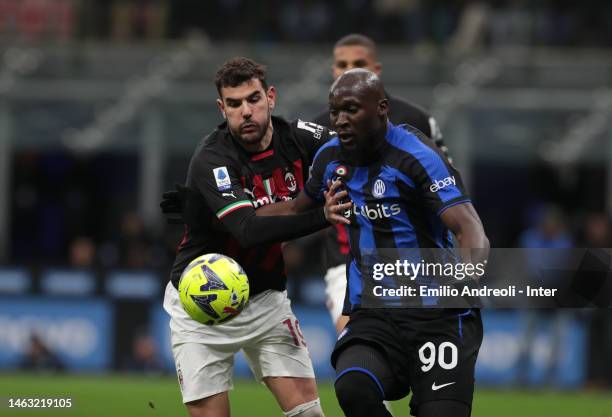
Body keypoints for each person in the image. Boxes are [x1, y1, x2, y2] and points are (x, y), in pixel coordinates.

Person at [257, 68, 489, 417]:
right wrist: (226, 214)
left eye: (351, 109)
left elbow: (469, 228)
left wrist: (466, 275)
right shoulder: (329, 159)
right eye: (335, 112)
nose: (341, 120)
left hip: (438, 317)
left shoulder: (417, 156)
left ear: (382, 108)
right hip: (375, 313)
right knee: (353, 386)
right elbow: (295, 209)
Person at [161, 57, 334, 417]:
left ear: (270, 97)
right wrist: (324, 216)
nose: (246, 111)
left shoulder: (297, 135)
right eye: (235, 104)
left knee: (310, 414)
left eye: (253, 99)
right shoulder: (211, 159)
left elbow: (347, 146)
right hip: (201, 305)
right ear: (222, 108)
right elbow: (248, 229)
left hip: (266, 299)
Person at [311, 33, 448, 334]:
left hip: (415, 258)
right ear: (332, 70)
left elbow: (446, 188)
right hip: (347, 261)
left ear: (377, 69)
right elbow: (308, 198)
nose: (349, 70)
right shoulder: (318, 128)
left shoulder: (417, 120)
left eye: (359, 63)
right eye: (341, 64)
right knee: (353, 346)